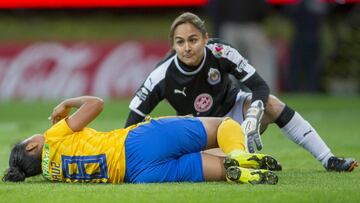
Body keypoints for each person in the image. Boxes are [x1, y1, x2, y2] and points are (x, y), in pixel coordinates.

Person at [125, 12, 357, 172]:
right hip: (202, 129)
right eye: (180, 42)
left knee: (272, 103)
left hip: (234, 109)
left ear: (205, 39)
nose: (187, 47)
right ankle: (248, 159)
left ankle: (328, 159)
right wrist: (125, 160)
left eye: (193, 40)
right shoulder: (161, 75)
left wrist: (254, 116)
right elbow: (134, 116)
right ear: (172, 45)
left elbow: (260, 86)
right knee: (221, 165)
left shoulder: (220, 51)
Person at [3, 96, 280, 184]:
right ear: (32, 146)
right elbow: (96, 104)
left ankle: (244, 172)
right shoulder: (52, 138)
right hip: (136, 143)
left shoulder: (53, 175)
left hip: (139, 175)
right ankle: (242, 156)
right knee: (225, 125)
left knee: (220, 168)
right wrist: (66, 103)